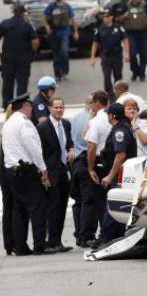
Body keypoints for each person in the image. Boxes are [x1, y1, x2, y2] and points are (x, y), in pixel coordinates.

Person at [1, 93, 52, 255]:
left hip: (12, 170)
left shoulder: (8, 124)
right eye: (30, 107)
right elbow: (34, 148)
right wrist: (43, 169)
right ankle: (39, 244)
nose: (32, 110)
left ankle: (20, 246)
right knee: (37, 207)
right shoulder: (25, 124)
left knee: (19, 209)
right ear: (24, 107)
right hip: (26, 170)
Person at [91, 103, 136, 248]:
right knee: (118, 204)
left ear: (113, 116)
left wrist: (110, 176)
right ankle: (115, 235)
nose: (107, 116)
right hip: (121, 173)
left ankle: (105, 237)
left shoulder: (120, 131)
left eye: (108, 113)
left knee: (112, 204)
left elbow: (120, 155)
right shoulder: (120, 127)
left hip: (120, 174)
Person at [36, 97, 74, 253]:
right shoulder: (42, 127)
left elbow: (68, 142)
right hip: (50, 173)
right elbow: (39, 152)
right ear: (50, 109)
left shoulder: (66, 124)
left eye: (61, 107)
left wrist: (71, 150)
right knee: (52, 208)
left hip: (64, 172)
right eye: (56, 107)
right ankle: (51, 241)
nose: (59, 110)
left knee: (62, 207)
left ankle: (58, 241)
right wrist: (42, 174)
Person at [76, 90, 110, 247]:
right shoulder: (112, 118)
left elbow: (89, 144)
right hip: (110, 162)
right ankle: (106, 232)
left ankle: (91, 235)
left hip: (97, 162)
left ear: (96, 103)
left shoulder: (97, 121)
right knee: (105, 200)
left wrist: (90, 169)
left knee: (94, 201)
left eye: (92, 103)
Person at [0, 5, 39, 110]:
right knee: (22, 82)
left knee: (7, 81)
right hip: (23, 58)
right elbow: (35, 41)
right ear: (23, 13)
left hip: (7, 58)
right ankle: (20, 104)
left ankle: (6, 105)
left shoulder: (5, 23)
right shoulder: (27, 25)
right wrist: (33, 52)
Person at [90, 9, 130, 101]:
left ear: (111, 17)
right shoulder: (100, 29)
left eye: (107, 16)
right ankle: (110, 98)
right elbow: (95, 44)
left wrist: (127, 54)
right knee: (107, 78)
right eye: (104, 16)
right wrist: (92, 58)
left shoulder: (118, 27)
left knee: (118, 77)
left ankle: (120, 96)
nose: (105, 18)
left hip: (117, 56)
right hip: (106, 57)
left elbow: (125, 40)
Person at [69, 94, 92, 244]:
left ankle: (79, 233)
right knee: (88, 201)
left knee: (78, 201)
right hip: (86, 160)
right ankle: (86, 235)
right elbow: (90, 142)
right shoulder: (91, 120)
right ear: (91, 104)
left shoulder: (75, 118)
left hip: (76, 163)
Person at [44, 0, 79, 82]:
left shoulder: (67, 7)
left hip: (65, 33)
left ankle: (64, 72)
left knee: (64, 52)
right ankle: (57, 74)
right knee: (56, 55)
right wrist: (47, 26)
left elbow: (73, 19)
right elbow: (45, 18)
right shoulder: (51, 7)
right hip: (54, 33)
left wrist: (75, 32)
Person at [124, 0, 147, 82]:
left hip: (143, 33)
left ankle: (142, 73)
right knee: (132, 54)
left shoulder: (145, 5)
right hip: (130, 33)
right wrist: (123, 16)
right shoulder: (126, 6)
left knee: (143, 55)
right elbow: (119, 19)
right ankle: (135, 71)